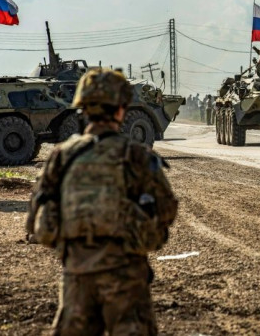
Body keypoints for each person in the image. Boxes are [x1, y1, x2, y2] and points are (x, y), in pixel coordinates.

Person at [26, 68, 178, 335]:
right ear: (122, 108)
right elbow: (166, 210)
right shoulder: (137, 156)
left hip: (77, 277)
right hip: (126, 278)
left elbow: (35, 222)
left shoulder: (61, 157)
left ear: (82, 108)